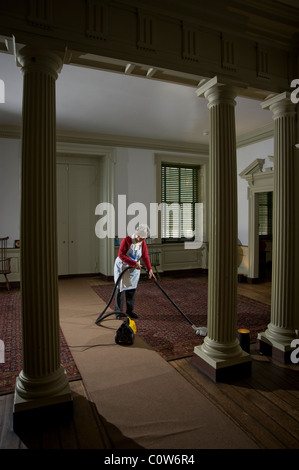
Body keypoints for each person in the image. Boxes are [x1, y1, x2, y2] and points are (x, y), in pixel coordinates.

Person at [114, 224, 155, 319]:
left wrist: (150, 269)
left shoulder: (142, 243)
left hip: (134, 269)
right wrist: (134, 264)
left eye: (144, 238)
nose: (142, 240)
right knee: (120, 289)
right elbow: (121, 255)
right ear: (137, 233)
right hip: (123, 267)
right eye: (141, 238)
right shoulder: (127, 240)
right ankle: (118, 313)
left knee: (131, 290)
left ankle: (130, 311)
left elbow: (145, 256)